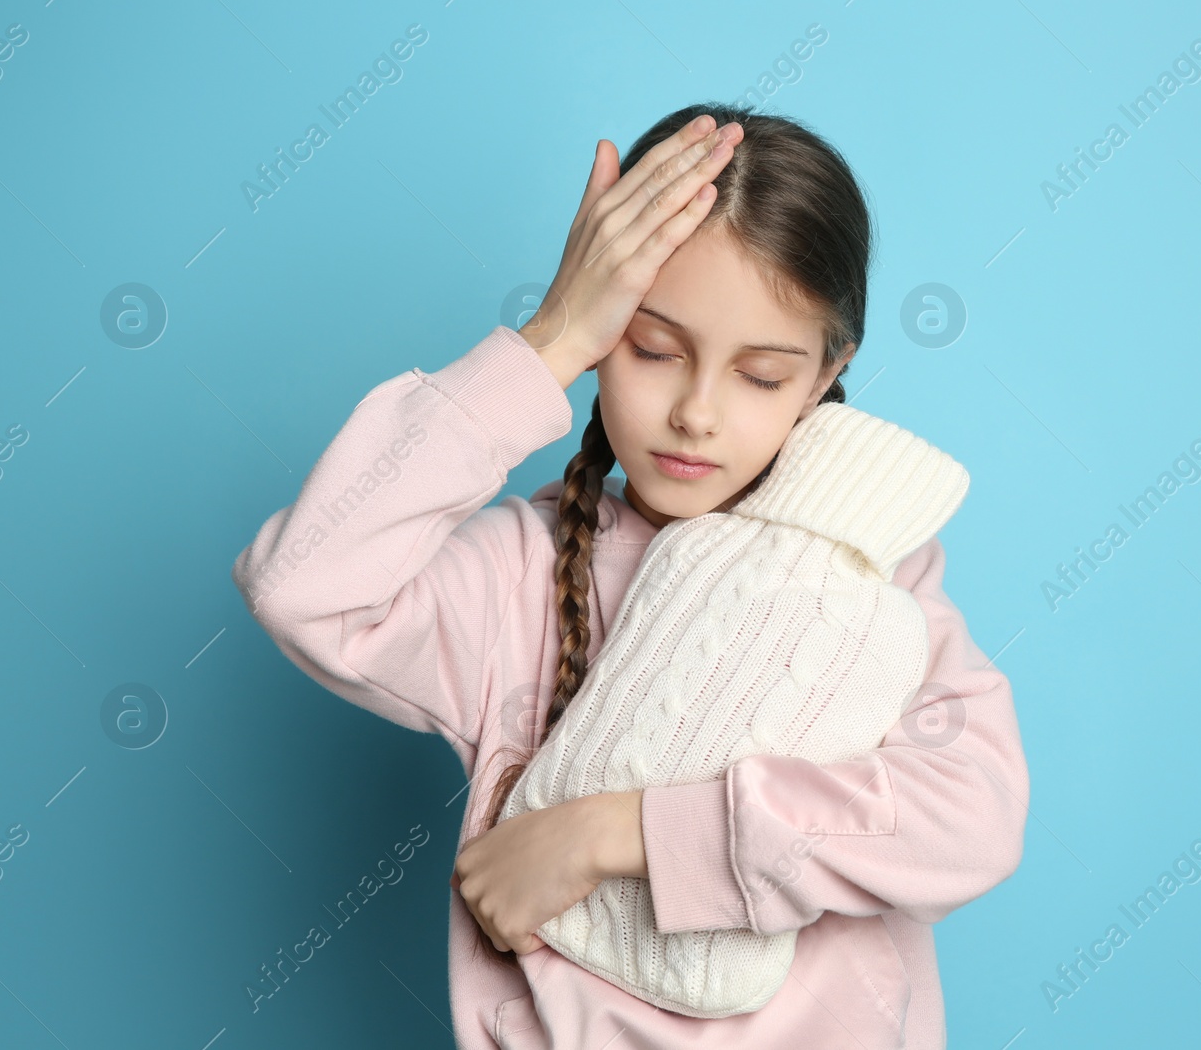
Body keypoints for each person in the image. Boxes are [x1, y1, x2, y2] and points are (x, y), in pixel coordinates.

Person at [232, 101, 1029, 1050]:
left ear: (825, 374)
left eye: (762, 375)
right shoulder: (519, 576)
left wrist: (618, 832)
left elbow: (968, 816)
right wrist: (552, 339)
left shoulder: (867, 573)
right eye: (653, 349)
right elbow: (302, 582)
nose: (696, 411)